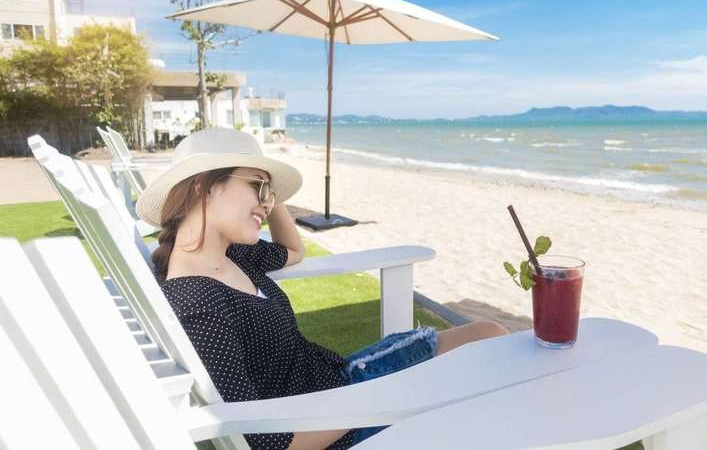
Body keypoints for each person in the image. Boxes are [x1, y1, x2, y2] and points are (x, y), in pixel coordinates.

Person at [136, 129, 509, 449]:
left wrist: (269, 192)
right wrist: (375, 397)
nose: (267, 202)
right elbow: (263, 443)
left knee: (490, 336)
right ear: (204, 186)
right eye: (257, 186)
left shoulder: (233, 254)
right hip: (345, 415)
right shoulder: (197, 303)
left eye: (269, 191)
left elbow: (295, 250)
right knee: (488, 370)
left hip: (345, 379)